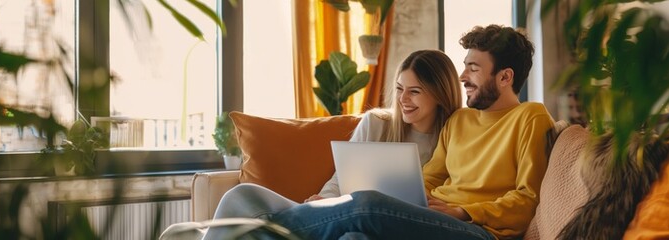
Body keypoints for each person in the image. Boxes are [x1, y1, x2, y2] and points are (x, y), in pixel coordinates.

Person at [222, 25, 554, 240]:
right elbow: (430, 178)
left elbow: (528, 200)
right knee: (354, 238)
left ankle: (258, 230)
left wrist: (462, 210)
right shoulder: (460, 121)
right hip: (433, 221)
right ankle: (254, 223)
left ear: (505, 77)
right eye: (465, 65)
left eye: (474, 68)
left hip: (478, 232)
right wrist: (409, 199)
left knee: (364, 203)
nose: (463, 75)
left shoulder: (531, 118)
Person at [198, 49, 464, 239]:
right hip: (339, 215)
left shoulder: (455, 138)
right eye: (399, 88)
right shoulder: (377, 123)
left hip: (391, 228)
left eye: (414, 91)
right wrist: (323, 200)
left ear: (440, 94)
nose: (403, 99)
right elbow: (340, 180)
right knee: (242, 195)